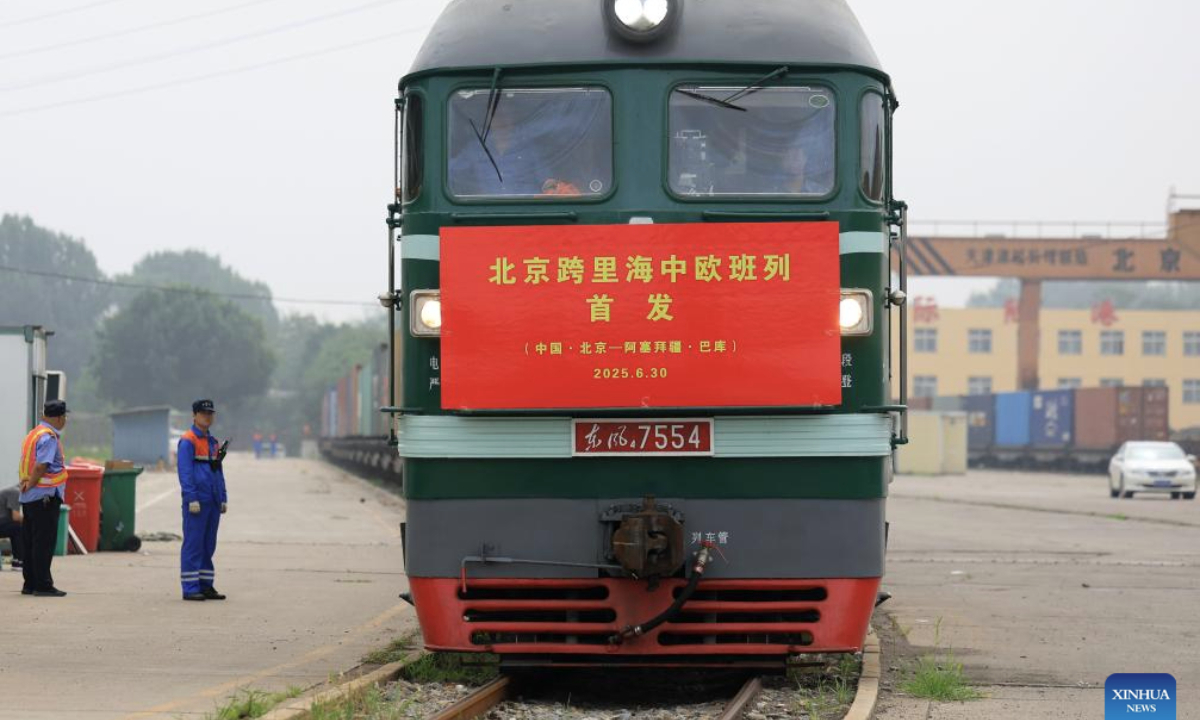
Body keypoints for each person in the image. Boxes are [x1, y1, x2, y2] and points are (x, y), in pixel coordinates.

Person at [17, 400, 70, 597]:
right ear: (59, 418)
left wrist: (27, 487)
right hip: (44, 497)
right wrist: (31, 483)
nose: (65, 420)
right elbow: (41, 466)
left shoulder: (33, 434)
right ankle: (43, 585)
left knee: (30, 542)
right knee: (43, 543)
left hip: (30, 498)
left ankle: (29, 583)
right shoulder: (48, 437)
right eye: (64, 417)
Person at [178, 399, 228, 601]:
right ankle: (190, 588)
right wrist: (191, 498)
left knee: (208, 544)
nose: (207, 417)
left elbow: (218, 472)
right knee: (193, 544)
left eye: (210, 413)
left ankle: (206, 585)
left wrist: (223, 497)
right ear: (195, 415)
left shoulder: (213, 443)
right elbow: (185, 473)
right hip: (196, 502)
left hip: (212, 501)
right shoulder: (188, 440)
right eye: (203, 413)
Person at [0, 484, 23, 570]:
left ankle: (17, 560)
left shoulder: (12, 490)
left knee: (15, 528)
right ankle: (19, 561)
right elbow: (16, 516)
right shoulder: (16, 493)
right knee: (19, 528)